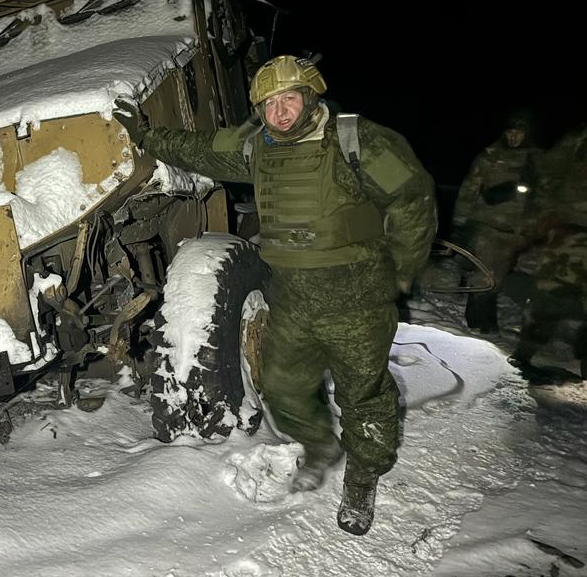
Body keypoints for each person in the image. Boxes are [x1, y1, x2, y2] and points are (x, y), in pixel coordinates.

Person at [112, 55, 437, 536]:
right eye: (269, 104)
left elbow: (413, 199)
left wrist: (402, 273)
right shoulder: (256, 145)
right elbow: (200, 148)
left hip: (358, 298)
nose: (280, 112)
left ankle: (364, 475)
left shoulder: (356, 140)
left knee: (363, 394)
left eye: (289, 99)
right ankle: (320, 447)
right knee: (283, 386)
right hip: (294, 297)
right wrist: (145, 135)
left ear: (311, 97)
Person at [509, 120, 587, 381]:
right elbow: (546, 179)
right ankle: (523, 355)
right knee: (552, 296)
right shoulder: (576, 142)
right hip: (570, 234)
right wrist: (548, 217)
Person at [452, 111, 542, 333]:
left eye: (518, 133)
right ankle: (476, 320)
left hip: (514, 231)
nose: (513, 137)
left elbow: (545, 194)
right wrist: (460, 222)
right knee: (483, 275)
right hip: (486, 226)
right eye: (510, 132)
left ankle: (487, 317)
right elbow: (469, 188)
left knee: (498, 278)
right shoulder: (490, 155)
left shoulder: (537, 159)